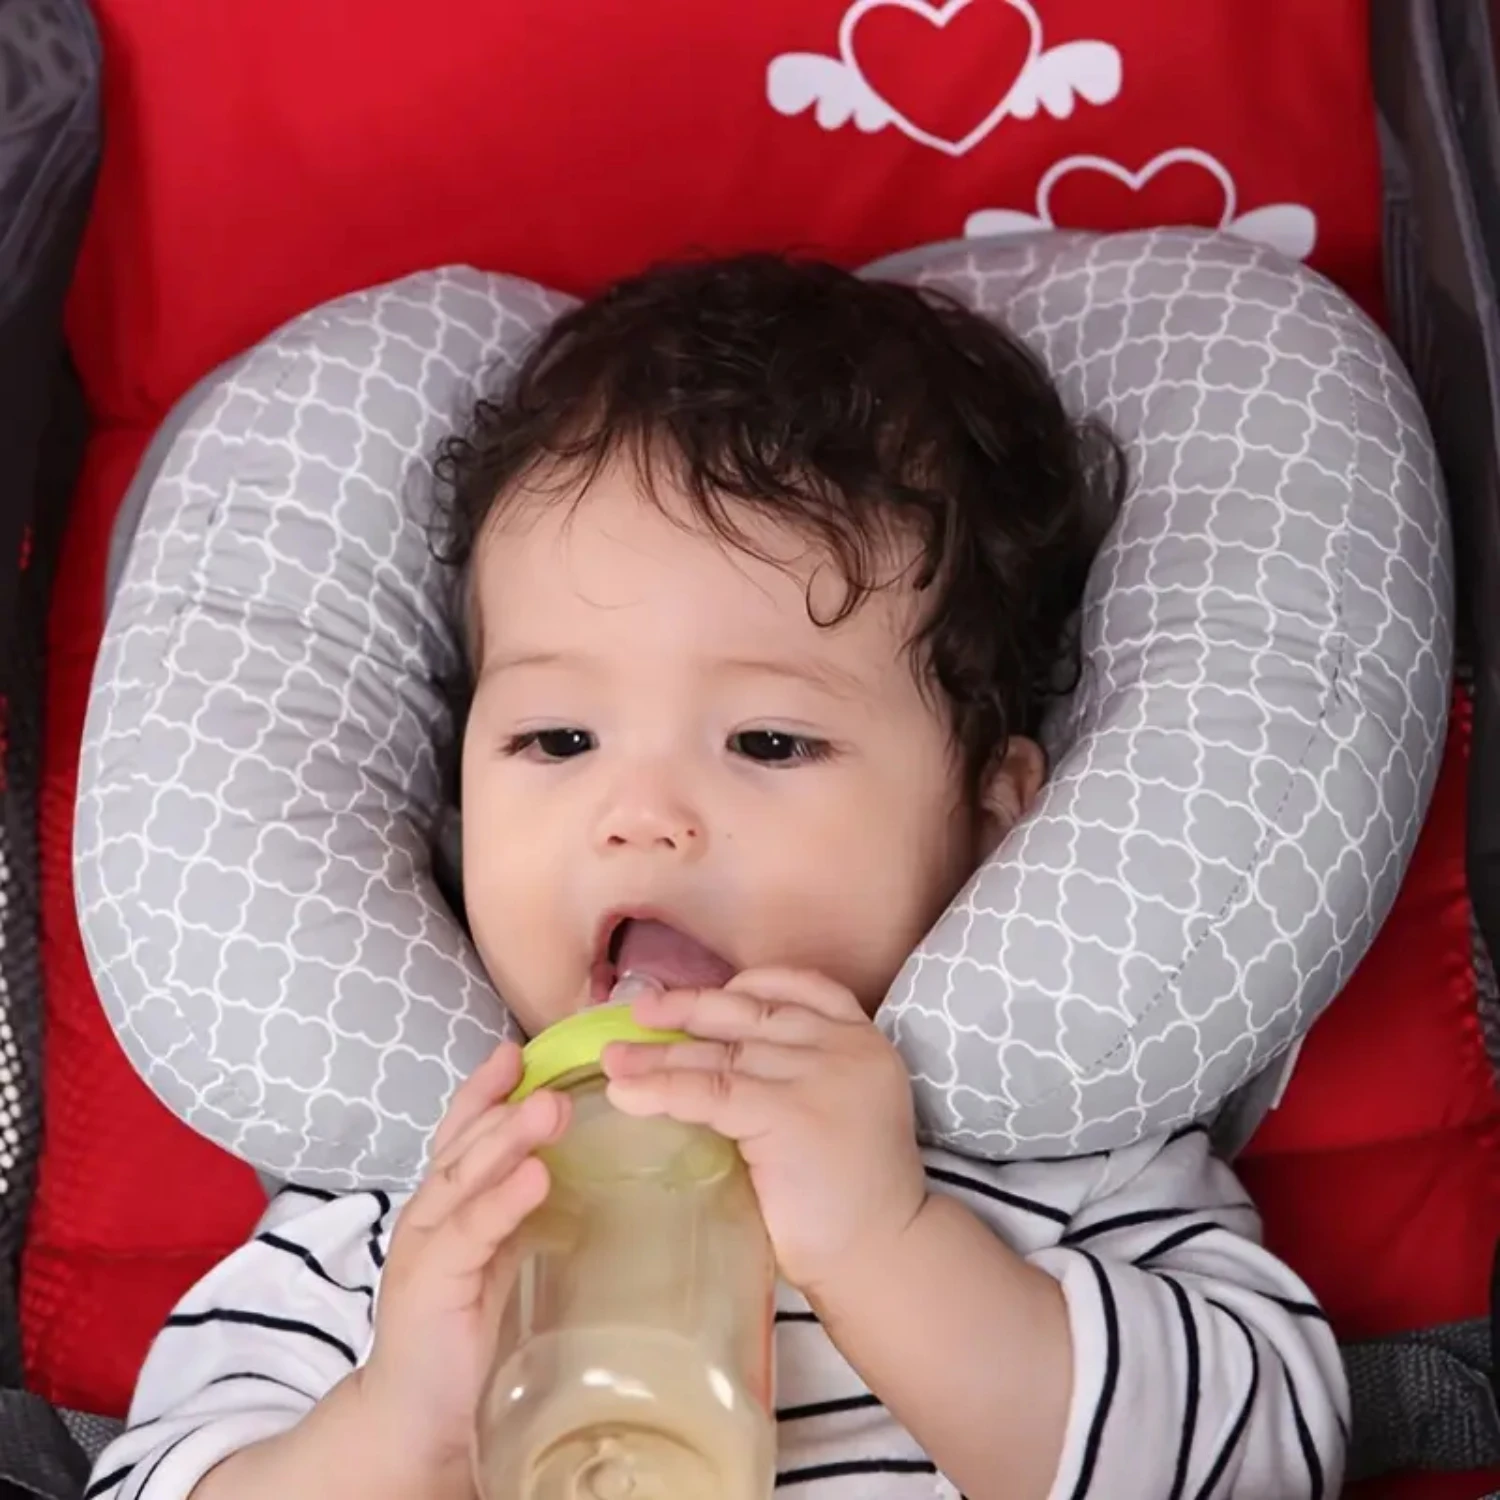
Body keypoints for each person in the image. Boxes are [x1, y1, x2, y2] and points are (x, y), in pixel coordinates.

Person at [87, 255, 1348, 1500]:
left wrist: (887, 1245)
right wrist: (393, 1427)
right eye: (558, 741)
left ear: (988, 816)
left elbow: (1262, 1461)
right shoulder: (403, 1224)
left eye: (768, 743)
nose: (641, 817)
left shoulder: (1059, 1163)